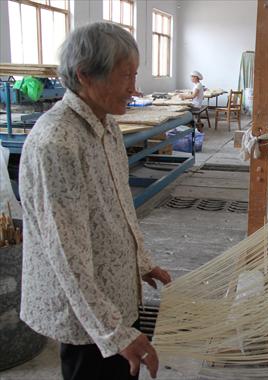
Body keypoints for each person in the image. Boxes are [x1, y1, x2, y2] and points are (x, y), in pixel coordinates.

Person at [19, 22, 172, 380]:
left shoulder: (107, 126)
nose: (134, 90)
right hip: (88, 319)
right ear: (85, 75)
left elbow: (118, 208)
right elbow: (66, 253)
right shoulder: (57, 142)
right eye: (125, 77)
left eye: (135, 76)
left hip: (117, 298)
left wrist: (142, 261)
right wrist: (114, 333)